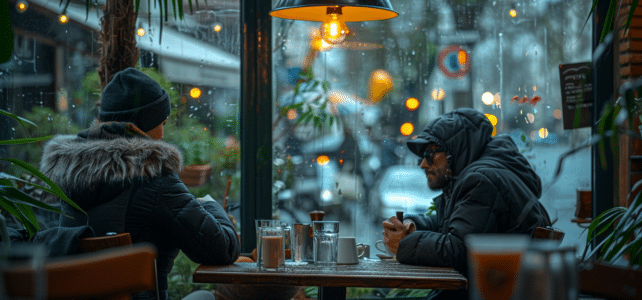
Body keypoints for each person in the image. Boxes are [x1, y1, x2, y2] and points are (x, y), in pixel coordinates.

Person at [39, 67, 240, 300]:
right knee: (207, 297)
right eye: (162, 122)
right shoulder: (155, 178)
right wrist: (208, 203)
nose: (163, 134)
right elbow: (223, 250)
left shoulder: (68, 177)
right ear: (143, 124)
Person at [382, 108, 551, 300]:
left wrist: (405, 243)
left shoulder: (482, 180)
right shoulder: (484, 175)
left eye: (430, 154)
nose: (423, 164)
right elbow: (456, 224)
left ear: (455, 149)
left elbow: (458, 250)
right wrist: (413, 226)